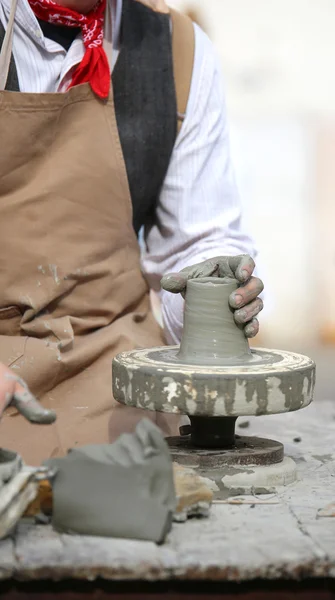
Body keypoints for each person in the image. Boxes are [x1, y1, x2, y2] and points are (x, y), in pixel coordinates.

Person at [0, 0, 263, 464]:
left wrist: (217, 290)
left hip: (112, 360)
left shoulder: (178, 51)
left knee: (139, 489)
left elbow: (198, 240)